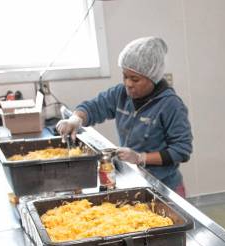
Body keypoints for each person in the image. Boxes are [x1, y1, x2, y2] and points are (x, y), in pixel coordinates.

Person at [56, 37, 193, 196]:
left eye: (135, 79)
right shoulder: (121, 94)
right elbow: (94, 107)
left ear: (152, 78)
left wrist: (141, 158)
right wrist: (75, 119)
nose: (128, 83)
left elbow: (181, 150)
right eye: (125, 76)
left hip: (165, 187)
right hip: (134, 181)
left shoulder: (170, 105)